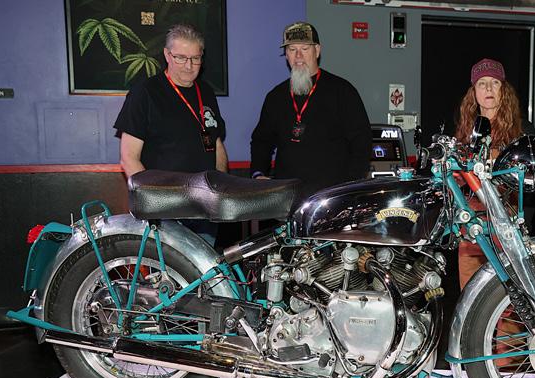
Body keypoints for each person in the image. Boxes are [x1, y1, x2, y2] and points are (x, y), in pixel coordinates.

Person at [114, 23, 228, 242]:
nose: (189, 66)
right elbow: (128, 158)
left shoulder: (206, 92)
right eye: (181, 58)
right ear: (167, 55)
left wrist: (220, 190)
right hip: (165, 213)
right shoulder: (145, 92)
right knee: (166, 265)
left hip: (205, 209)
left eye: (195, 58)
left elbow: (216, 144)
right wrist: (157, 205)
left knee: (204, 263)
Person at [250, 22, 371, 199]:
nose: (298, 56)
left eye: (305, 49)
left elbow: (362, 144)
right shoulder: (275, 97)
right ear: (286, 55)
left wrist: (348, 188)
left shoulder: (342, 91)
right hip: (286, 199)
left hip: (332, 199)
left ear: (317, 51)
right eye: (292, 49)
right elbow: (261, 141)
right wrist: (258, 173)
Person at [454, 58, 535, 289]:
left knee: (510, 294)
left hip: (507, 219)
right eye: (482, 84)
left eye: (495, 83)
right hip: (473, 223)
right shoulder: (466, 130)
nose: (488, 89)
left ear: (504, 90)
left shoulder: (521, 130)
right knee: (471, 292)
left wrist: (524, 223)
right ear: (474, 92)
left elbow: (531, 181)